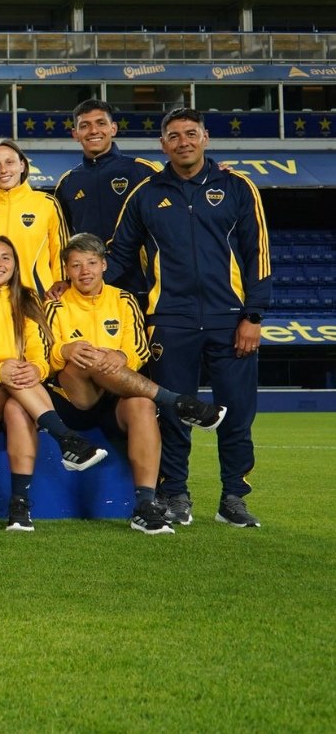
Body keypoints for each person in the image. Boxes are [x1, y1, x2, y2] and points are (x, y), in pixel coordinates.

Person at [106, 108, 270, 528]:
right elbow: (119, 257)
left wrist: (253, 314)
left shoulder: (237, 187)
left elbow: (258, 254)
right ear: (163, 145)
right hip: (170, 320)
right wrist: (74, 284)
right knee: (175, 414)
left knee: (236, 414)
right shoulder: (144, 194)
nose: (183, 142)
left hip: (230, 319)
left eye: (190, 133)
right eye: (174, 136)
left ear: (205, 137)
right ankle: (176, 494)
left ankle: (233, 496)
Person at [46, 233, 227, 536]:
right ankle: (177, 402)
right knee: (89, 355)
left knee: (142, 404)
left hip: (116, 396)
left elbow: (140, 351)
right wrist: (65, 351)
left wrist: (121, 354)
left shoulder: (124, 300)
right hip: (74, 398)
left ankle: (144, 505)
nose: (84, 271)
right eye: (76, 265)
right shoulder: (55, 305)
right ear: (67, 270)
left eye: (91, 263)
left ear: (104, 264)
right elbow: (41, 354)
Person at [0, 235, 108, 532]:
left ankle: (19, 505)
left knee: (17, 409)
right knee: (13, 375)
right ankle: (66, 438)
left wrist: (36, 369)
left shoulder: (27, 297)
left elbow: (38, 348)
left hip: (19, 387)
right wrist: (1, 370)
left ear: (15, 264)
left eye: (5, 258)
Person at [53, 99, 159, 301]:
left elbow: (182, 188)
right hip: (86, 288)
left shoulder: (142, 171)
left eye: (101, 123)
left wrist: (215, 173)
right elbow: (60, 238)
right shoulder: (68, 182)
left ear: (113, 128)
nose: (93, 130)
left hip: (139, 287)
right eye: (85, 125)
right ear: (75, 134)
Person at [0, 140, 67, 298]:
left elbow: (60, 249)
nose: (3, 170)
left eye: (9, 162)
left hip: (37, 299)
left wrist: (62, 281)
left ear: (22, 165)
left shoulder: (47, 203)